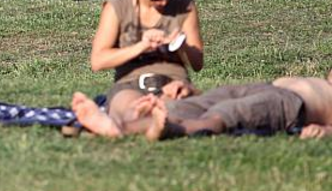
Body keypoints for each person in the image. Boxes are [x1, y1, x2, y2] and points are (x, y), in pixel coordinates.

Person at [88, 0, 204, 126]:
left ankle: (146, 126)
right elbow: (97, 61)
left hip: (173, 83)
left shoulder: (185, 5)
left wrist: (182, 45)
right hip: (129, 84)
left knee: (172, 112)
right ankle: (145, 126)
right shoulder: (118, 6)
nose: (164, 3)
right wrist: (141, 46)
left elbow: (198, 63)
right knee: (131, 112)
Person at [70, 70, 332, 141]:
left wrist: (324, 131)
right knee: (186, 106)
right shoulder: (320, 80)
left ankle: (132, 130)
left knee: (225, 115)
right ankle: (117, 124)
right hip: (262, 87)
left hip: (288, 104)